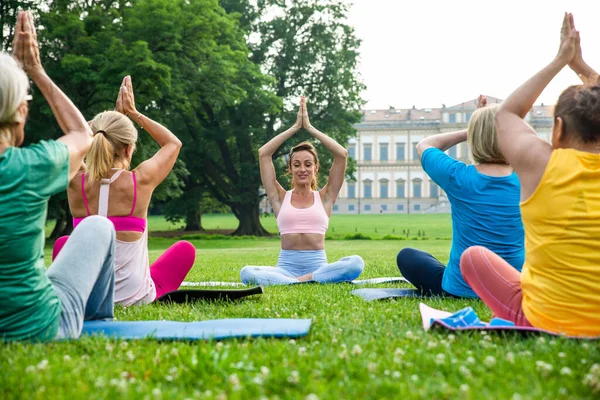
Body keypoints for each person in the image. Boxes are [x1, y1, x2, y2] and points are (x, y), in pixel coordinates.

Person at [460, 13, 600, 336]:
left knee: (474, 258)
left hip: (543, 321)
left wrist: (560, 60)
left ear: (558, 130)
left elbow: (507, 112)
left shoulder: (542, 164)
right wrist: (580, 65)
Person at [0, 11, 115, 341]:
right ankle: (96, 323)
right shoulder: (32, 167)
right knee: (99, 225)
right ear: (21, 112)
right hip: (39, 326)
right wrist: (34, 70)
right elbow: (83, 132)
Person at [52, 76, 196, 306]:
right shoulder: (140, 181)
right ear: (129, 149)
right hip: (136, 297)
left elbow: (60, 146)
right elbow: (173, 143)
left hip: (86, 297)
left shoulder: (76, 181)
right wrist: (131, 113)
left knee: (63, 243)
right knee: (185, 250)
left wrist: (99, 126)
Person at [396, 95, 524, 297]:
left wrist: (473, 130)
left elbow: (424, 145)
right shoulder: (528, 179)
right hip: (513, 291)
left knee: (407, 256)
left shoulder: (458, 177)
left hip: (459, 289)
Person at [240, 97, 364, 285]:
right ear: (290, 169)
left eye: (308, 164)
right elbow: (264, 153)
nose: (302, 169)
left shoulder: (326, 197)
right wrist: (295, 128)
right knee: (246, 272)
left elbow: (342, 154)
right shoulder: (279, 197)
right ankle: (301, 280)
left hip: (319, 267)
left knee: (356, 263)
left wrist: (310, 128)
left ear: (316, 168)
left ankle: (300, 280)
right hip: (284, 268)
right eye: (296, 165)